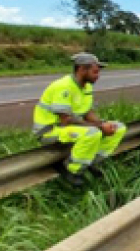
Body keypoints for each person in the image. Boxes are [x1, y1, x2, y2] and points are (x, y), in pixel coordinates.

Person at [33, 53, 128, 186]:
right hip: (50, 130)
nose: (98, 76)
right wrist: (99, 127)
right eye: (95, 72)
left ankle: (90, 162)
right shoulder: (64, 86)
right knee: (93, 133)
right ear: (82, 69)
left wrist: (103, 124)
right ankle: (71, 170)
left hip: (67, 128)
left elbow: (87, 112)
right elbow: (66, 119)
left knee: (118, 127)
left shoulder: (87, 86)